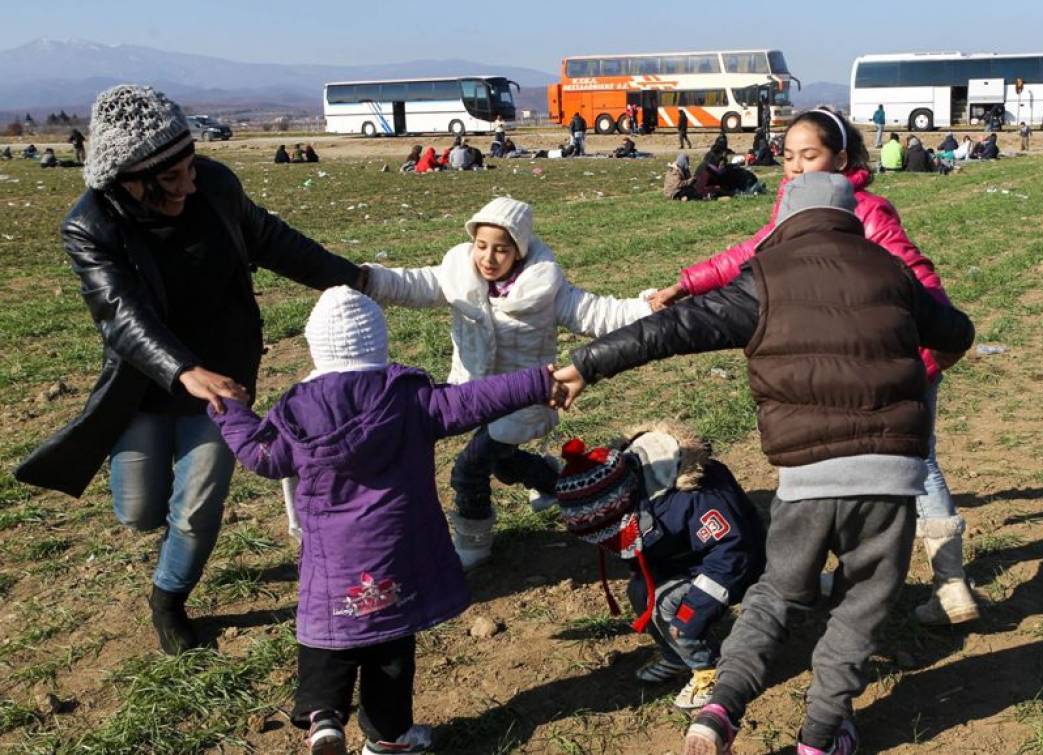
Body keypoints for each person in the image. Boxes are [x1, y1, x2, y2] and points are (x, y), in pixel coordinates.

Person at [552, 172, 976, 755]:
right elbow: (958, 331)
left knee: (776, 594)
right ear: (852, 219)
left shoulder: (764, 279)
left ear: (782, 224)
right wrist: (933, 360)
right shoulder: (892, 272)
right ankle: (823, 735)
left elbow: (672, 328)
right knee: (860, 605)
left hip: (806, 479)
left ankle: (722, 706)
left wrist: (587, 364)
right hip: (889, 476)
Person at [13, 84, 365, 655]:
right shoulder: (90, 225)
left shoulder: (216, 187)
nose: (189, 183)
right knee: (139, 513)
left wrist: (356, 279)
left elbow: (275, 242)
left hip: (223, 383)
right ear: (131, 180)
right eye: (172, 177)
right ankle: (165, 534)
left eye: (190, 165)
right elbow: (119, 314)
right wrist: (181, 369)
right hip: (144, 387)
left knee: (197, 507)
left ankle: (169, 597)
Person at [647, 108, 982, 629]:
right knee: (838, 461)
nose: (798, 167)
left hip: (895, 362)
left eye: (811, 155)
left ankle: (949, 581)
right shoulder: (793, 210)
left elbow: (920, 280)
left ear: (841, 158)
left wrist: (930, 354)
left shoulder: (867, 212)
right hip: (846, 362)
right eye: (789, 157)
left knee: (916, 464)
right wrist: (687, 283)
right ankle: (845, 578)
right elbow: (749, 256)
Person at [210, 286, 563, 755]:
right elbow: (474, 400)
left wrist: (229, 411)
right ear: (378, 344)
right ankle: (387, 740)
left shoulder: (296, 409)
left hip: (330, 556)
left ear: (318, 347)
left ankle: (324, 718)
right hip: (396, 549)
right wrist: (539, 381)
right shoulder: (407, 398)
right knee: (390, 645)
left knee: (328, 628)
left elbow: (261, 455)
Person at [361, 197, 653, 569]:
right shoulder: (459, 276)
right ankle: (555, 482)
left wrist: (647, 309)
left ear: (519, 251)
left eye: (501, 249)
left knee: (470, 469)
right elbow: (412, 283)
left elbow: (598, 312)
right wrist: (366, 279)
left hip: (523, 400)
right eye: (482, 246)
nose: (488, 258)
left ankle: (474, 539)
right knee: (503, 461)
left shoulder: (545, 290)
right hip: (473, 393)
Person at [553, 425, 765, 711]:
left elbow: (733, 552)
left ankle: (709, 670)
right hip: (686, 560)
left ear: (622, 503)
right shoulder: (630, 493)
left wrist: (692, 612)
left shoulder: (691, 496)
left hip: (734, 566)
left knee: (667, 605)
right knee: (639, 592)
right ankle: (676, 657)